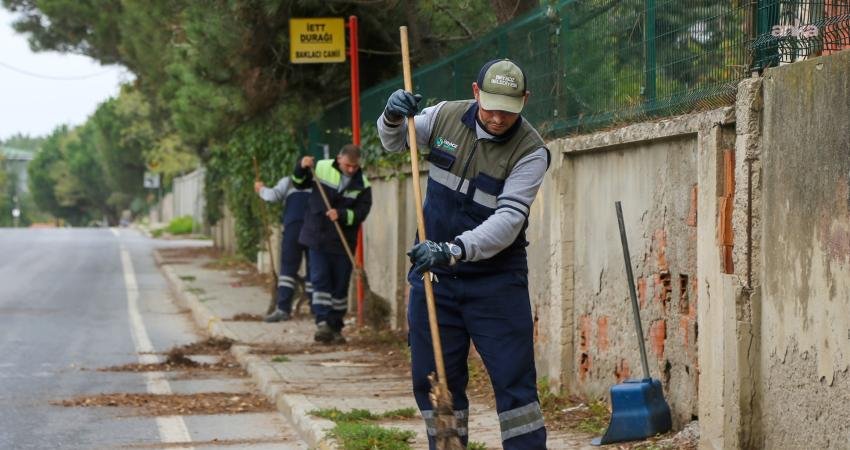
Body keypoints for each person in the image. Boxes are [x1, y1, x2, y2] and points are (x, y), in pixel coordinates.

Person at [377, 59, 549, 449]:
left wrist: (454, 249)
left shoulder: (531, 151)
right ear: (475, 92)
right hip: (434, 278)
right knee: (434, 379)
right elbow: (394, 141)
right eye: (491, 106)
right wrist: (390, 116)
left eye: (509, 108)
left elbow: (508, 221)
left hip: (496, 282)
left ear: (525, 100)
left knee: (514, 386)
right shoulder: (443, 117)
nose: (499, 117)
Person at [291, 144, 372, 344]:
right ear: (339, 159)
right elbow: (299, 183)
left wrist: (342, 215)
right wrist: (301, 166)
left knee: (340, 286)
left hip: (343, 242)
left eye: (354, 166)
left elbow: (361, 212)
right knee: (320, 280)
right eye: (348, 165)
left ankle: (336, 326)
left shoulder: (363, 184)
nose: (351, 169)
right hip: (318, 237)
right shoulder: (321, 168)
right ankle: (322, 323)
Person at [254, 175, 312, 322]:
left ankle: (283, 309)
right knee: (315, 269)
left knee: (288, 269)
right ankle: (316, 309)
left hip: (293, 228)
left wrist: (260, 189)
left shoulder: (288, 180)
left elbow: (272, 196)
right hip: (314, 228)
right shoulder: (320, 180)